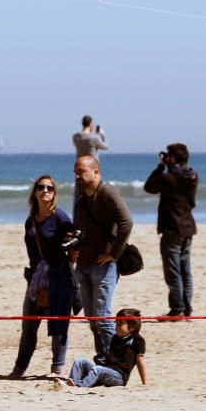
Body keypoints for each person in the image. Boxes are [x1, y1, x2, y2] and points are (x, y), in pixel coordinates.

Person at [8, 176, 75, 379]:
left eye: (49, 188)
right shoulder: (31, 220)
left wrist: (69, 267)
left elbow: (74, 245)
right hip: (36, 279)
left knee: (58, 325)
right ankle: (19, 369)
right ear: (35, 192)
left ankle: (57, 369)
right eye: (41, 187)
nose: (45, 190)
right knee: (29, 324)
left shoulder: (61, 218)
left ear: (54, 193)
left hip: (58, 276)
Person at [72, 155, 134, 362]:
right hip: (84, 265)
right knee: (92, 319)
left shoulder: (107, 192)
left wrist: (113, 253)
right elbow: (79, 230)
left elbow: (126, 222)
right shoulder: (82, 198)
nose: (77, 176)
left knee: (103, 316)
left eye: (81, 171)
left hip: (103, 266)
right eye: (76, 172)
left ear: (95, 172)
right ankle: (103, 356)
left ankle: (113, 362)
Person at [143, 143, 198, 318]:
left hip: (172, 228)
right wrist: (168, 165)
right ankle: (186, 307)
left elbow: (149, 186)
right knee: (185, 270)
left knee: (173, 271)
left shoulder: (168, 178)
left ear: (172, 158)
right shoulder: (192, 176)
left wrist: (160, 166)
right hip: (188, 226)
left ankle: (177, 309)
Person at [64, 308, 147, 388]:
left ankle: (79, 386)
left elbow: (140, 361)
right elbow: (110, 358)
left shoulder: (138, 340)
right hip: (107, 371)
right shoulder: (115, 338)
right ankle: (72, 382)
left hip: (119, 377)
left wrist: (144, 382)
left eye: (120, 324)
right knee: (80, 361)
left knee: (98, 370)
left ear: (132, 327)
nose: (116, 326)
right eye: (116, 323)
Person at [73, 115, 109, 203]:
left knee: (79, 198)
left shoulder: (75, 137)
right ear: (90, 124)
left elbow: (84, 140)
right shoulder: (94, 138)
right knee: (93, 197)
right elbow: (105, 146)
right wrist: (102, 135)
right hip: (91, 169)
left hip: (79, 169)